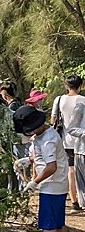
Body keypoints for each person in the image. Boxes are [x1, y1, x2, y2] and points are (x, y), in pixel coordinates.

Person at [13, 106, 72, 232]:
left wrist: (34, 182)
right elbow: (38, 156)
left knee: (48, 226)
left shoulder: (48, 140)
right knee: (58, 224)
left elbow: (51, 166)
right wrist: (27, 161)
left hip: (51, 186)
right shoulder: (40, 136)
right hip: (55, 185)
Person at [50, 75, 85, 214]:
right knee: (78, 171)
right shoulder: (83, 101)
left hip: (65, 140)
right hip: (80, 141)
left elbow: (53, 118)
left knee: (70, 171)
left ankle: (74, 201)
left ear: (66, 86)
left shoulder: (59, 100)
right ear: (80, 86)